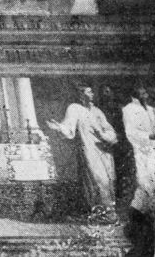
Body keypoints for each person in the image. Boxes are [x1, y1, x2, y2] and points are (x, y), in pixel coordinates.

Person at [47, 84, 118, 221]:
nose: (92, 94)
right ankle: (102, 212)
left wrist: (105, 136)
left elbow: (109, 129)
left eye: (92, 91)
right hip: (89, 148)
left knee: (109, 180)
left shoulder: (97, 111)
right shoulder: (74, 108)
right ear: (81, 94)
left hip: (104, 150)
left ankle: (108, 213)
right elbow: (69, 128)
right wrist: (59, 127)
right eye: (88, 92)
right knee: (98, 179)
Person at [122, 85, 155, 218]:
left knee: (152, 180)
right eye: (141, 93)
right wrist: (148, 136)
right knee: (144, 181)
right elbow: (130, 132)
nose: (145, 95)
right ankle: (138, 213)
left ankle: (143, 212)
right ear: (134, 95)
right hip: (141, 150)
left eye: (145, 92)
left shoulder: (151, 109)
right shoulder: (129, 109)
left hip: (153, 149)